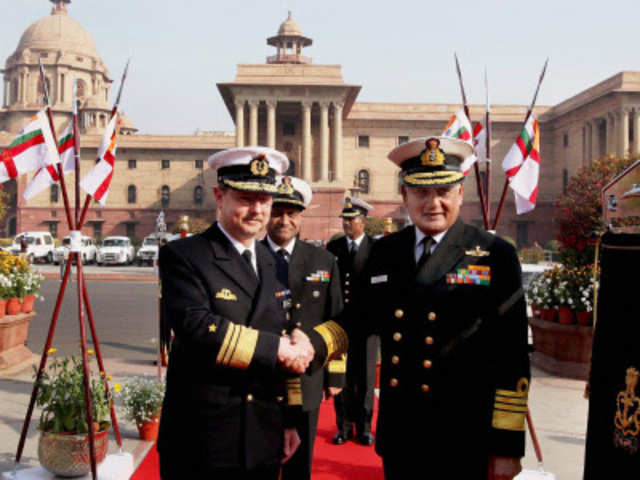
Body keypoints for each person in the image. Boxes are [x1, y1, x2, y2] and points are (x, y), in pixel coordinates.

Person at [363, 136, 531, 479]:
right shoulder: (384, 252)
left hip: (466, 437)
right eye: (421, 192)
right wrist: (311, 343)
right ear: (404, 195)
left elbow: (513, 357)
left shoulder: (494, 254)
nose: (433, 202)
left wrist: (507, 447)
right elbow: (358, 320)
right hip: (401, 437)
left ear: (460, 192)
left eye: (443, 191)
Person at [157, 146, 318, 479]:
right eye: (245, 198)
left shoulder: (270, 260)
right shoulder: (185, 255)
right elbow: (197, 327)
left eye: (265, 200)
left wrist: (289, 420)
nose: (257, 210)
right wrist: (277, 348)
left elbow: (282, 329)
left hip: (262, 432)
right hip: (204, 437)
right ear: (220, 196)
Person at [262, 175, 347, 480]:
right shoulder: (250, 258)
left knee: (300, 463)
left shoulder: (323, 259)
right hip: (261, 376)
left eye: (292, 213)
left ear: (301, 216)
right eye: (277, 212)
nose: (284, 220)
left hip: (307, 377)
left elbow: (336, 319)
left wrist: (335, 374)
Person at [327, 196, 378, 446]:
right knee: (341, 377)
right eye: (345, 219)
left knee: (367, 380)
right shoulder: (333, 248)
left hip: (367, 326)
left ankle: (365, 427)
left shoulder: (376, 249)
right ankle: (343, 427)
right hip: (341, 325)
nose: (347, 224)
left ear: (363, 221)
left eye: (352, 219)